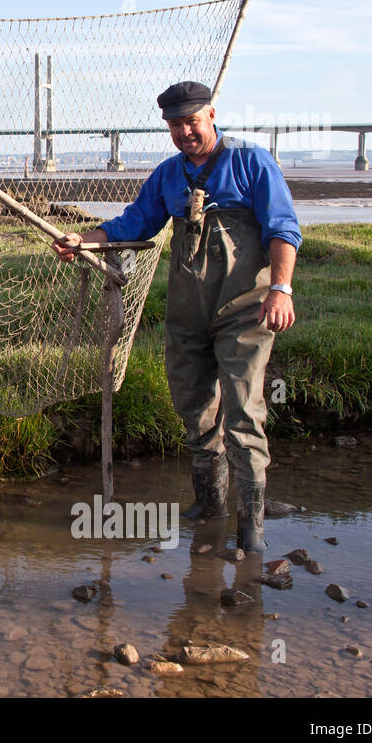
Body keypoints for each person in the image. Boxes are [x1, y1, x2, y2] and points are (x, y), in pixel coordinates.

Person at [51, 81, 300, 553]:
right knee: (194, 407)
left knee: (244, 413)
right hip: (189, 313)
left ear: (211, 114)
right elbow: (134, 223)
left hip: (246, 308)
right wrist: (83, 239)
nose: (184, 131)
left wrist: (281, 290)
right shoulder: (168, 175)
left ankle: (252, 528)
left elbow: (283, 229)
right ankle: (210, 505)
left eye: (192, 121)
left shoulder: (251, 161)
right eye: (174, 124)